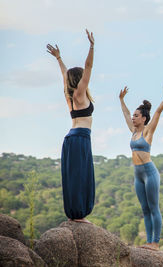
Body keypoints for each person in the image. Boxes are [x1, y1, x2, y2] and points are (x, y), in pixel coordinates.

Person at [119, 81, 163, 250]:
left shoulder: (147, 131)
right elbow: (126, 113)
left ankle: (155, 243)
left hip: (150, 173)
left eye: (136, 116)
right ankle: (148, 241)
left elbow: (158, 111)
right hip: (137, 175)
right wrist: (121, 100)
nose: (133, 118)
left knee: (153, 208)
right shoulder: (134, 131)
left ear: (143, 118)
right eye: (134, 116)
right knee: (144, 209)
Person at [46, 29, 95, 224]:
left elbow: (64, 76)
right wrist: (92, 46)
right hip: (80, 137)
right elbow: (89, 66)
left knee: (74, 175)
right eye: (83, 77)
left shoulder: (69, 95)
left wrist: (59, 59)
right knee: (80, 176)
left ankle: (76, 214)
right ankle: (78, 216)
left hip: (74, 137)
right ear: (80, 79)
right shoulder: (78, 95)